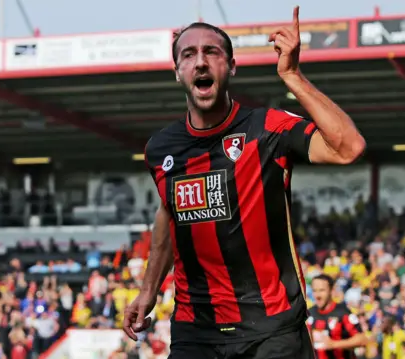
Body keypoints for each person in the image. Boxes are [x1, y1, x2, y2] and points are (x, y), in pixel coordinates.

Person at [123, 6, 365, 359]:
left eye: (212, 52)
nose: (201, 62)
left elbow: (349, 147)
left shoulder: (268, 128)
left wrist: (293, 76)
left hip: (272, 329)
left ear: (232, 67)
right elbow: (168, 213)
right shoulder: (161, 149)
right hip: (196, 331)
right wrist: (149, 292)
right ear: (178, 72)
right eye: (188, 55)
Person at [308, 274, 367, 358]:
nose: (317, 295)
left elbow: (362, 339)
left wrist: (334, 344)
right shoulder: (309, 313)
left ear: (332, 291)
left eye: (321, 290)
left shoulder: (343, 312)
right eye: (314, 291)